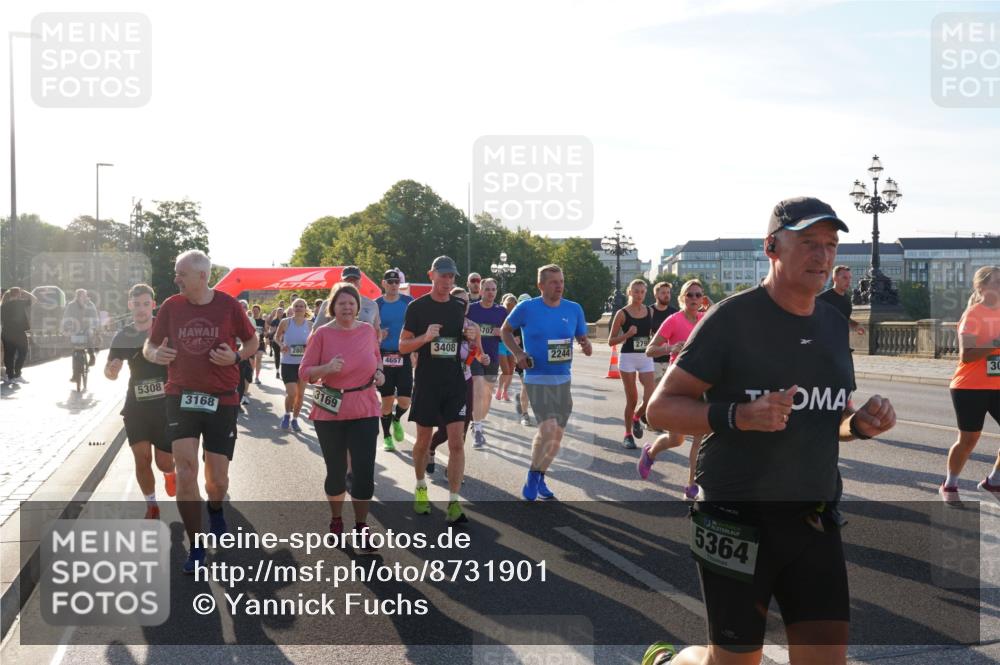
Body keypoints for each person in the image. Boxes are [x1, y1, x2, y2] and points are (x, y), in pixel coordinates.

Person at [645, 196, 896, 665]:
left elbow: (832, 417)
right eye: (808, 242)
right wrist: (738, 415)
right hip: (735, 518)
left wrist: (858, 425)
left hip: (814, 519)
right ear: (771, 247)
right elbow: (659, 410)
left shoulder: (833, 324)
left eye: (830, 244)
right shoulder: (731, 319)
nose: (822, 255)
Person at [144, 249, 259, 574]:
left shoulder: (228, 306)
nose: (176, 279)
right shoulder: (171, 306)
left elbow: (252, 343)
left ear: (202, 276)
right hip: (180, 396)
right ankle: (196, 545)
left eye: (181, 274)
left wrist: (236, 357)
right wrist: (154, 354)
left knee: (217, 480)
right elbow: (149, 345)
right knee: (185, 470)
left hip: (222, 399)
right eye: (177, 273)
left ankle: (216, 508)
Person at [300, 282, 384, 551]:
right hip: (330, 409)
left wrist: (380, 372)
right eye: (341, 303)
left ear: (358, 306)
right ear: (332, 307)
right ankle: (336, 520)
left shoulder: (367, 330)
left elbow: (376, 357)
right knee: (336, 472)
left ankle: (361, 526)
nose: (347, 307)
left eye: (351, 303)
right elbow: (305, 371)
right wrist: (326, 368)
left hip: (365, 407)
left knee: (364, 472)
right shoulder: (322, 334)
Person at [501, 265, 592, 501]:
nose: (559, 286)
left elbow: (582, 337)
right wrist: (518, 353)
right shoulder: (527, 308)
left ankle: (540, 474)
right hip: (536, 376)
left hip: (563, 378)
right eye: (553, 282)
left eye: (561, 281)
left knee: (556, 436)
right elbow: (505, 331)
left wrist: (586, 345)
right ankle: (533, 475)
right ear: (540, 285)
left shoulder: (574, 308)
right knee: (547, 429)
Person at [400, 256, 476, 524]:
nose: (448, 281)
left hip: (454, 383)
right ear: (431, 275)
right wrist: (425, 337)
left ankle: (454, 503)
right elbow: (402, 346)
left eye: (451, 276)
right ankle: (421, 487)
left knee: (457, 443)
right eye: (443, 275)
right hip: (427, 383)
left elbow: (463, 340)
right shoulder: (417, 307)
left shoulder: (458, 306)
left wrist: (470, 337)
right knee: (423, 441)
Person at [105, 283, 177, 519]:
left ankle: (170, 474)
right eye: (136, 304)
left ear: (153, 305)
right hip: (136, 407)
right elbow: (109, 372)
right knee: (142, 458)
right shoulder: (123, 335)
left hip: (164, 406)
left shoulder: (166, 331)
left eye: (146, 304)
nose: (141, 309)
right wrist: (112, 370)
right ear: (130, 305)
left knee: (164, 462)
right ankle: (151, 505)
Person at [639, 279, 710, 499]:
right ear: (682, 298)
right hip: (677, 383)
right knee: (676, 439)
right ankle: (650, 453)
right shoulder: (673, 320)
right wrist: (670, 348)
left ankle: (691, 486)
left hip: (701, 382)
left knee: (699, 437)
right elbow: (650, 350)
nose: (694, 299)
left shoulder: (705, 319)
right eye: (690, 295)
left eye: (698, 295)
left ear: (702, 299)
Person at [939, 265, 1000, 504]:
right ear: (982, 287)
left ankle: (993, 481)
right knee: (968, 440)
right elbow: (967, 355)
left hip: (997, 385)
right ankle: (950, 484)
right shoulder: (973, 314)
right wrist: (996, 343)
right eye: (997, 282)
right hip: (970, 386)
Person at [427, 288, 485, 472]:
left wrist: (483, 358)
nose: (463, 305)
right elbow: (430, 351)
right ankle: (430, 448)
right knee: (445, 429)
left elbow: (478, 353)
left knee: (464, 424)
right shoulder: (439, 324)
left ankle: (454, 466)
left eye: (466, 302)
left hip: (464, 380)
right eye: (459, 301)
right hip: (442, 381)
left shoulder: (473, 326)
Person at [608, 279, 656, 449]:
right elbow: (611, 340)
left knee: (650, 397)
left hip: (645, 357)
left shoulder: (650, 311)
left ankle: (636, 417)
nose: (639, 295)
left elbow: (653, 334)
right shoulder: (622, 313)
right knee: (632, 399)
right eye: (636, 291)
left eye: (642, 291)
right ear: (629, 292)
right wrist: (627, 335)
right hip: (628, 357)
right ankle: (628, 435)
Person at [376, 269, 414, 451]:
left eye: (396, 282)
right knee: (387, 401)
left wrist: (416, 351)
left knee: (405, 401)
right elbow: (366, 329)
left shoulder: (409, 302)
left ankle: (396, 419)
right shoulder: (377, 304)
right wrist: (378, 334)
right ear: (383, 283)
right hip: (383, 356)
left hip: (404, 355)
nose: (393, 285)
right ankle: (387, 437)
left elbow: (418, 326)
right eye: (390, 282)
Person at [467, 277, 507, 447]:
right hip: (475, 355)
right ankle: (477, 429)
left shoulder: (501, 311)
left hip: (492, 357)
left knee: (487, 396)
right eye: (487, 289)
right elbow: (462, 327)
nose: (490, 292)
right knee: (478, 389)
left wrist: (502, 334)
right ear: (481, 291)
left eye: (493, 289)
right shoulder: (471, 309)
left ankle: (477, 420)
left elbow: (509, 335)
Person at [275, 298, 313, 432]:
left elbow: (314, 342)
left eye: (301, 306)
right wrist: (281, 345)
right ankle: (287, 414)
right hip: (288, 363)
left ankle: (295, 419)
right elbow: (276, 337)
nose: (299, 308)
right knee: (292, 393)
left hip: (303, 364)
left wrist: (308, 347)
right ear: (292, 308)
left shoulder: (310, 325)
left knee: (300, 395)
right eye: (296, 306)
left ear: (305, 309)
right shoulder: (285, 322)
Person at [313, 266, 381, 332]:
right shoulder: (328, 303)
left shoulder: (372, 305)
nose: (351, 283)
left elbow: (377, 330)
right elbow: (316, 330)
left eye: (355, 280)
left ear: (360, 282)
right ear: (341, 282)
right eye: (348, 280)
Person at [817, 266, 866, 337]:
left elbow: (845, 319)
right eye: (844, 278)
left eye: (850, 278)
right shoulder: (822, 299)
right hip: (825, 341)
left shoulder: (847, 299)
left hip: (843, 341)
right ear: (835, 278)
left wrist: (856, 325)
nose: (848, 281)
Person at [1, 286, 37, 383]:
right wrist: (25, 291)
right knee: (23, 352)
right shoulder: (19, 303)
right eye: (20, 293)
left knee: (9, 355)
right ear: (18, 294)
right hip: (19, 332)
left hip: (6, 333)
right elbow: (34, 299)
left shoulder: (3, 306)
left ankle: (10, 376)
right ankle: (17, 374)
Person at [61, 288, 100, 371]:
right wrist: (66, 328)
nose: (82, 297)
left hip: (87, 327)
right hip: (75, 328)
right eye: (80, 295)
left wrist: (94, 327)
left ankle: (91, 355)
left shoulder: (90, 304)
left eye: (84, 295)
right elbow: (66, 317)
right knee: (74, 348)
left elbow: (95, 316)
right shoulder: (71, 305)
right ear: (77, 296)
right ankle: (75, 372)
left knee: (89, 335)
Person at [649, 281, 679, 386]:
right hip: (653, 360)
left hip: (670, 359)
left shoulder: (674, 313)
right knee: (655, 391)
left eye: (668, 292)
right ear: (656, 295)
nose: (666, 295)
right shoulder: (648, 312)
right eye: (663, 293)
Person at [496, 293, 518, 402]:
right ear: (505, 304)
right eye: (509, 305)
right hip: (501, 345)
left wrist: (518, 338)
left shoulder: (517, 316)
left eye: (513, 305)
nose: (511, 307)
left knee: (511, 371)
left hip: (511, 346)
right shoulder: (500, 315)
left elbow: (519, 331)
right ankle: (499, 390)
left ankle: (505, 392)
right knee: (506, 371)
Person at [267, 306, 285, 375]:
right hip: (276, 340)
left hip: (284, 340)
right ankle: (277, 371)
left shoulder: (285, 320)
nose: (280, 313)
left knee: (284, 355)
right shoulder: (274, 321)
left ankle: (283, 369)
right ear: (277, 313)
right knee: (277, 355)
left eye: (281, 312)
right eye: (279, 312)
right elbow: (270, 332)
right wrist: (274, 330)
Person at [251, 304, 266, 384]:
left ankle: (257, 377)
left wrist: (265, 333)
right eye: (254, 310)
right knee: (252, 361)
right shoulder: (250, 320)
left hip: (260, 342)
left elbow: (266, 331)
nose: (255, 312)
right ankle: (251, 375)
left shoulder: (263, 322)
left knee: (259, 359)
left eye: (256, 310)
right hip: (251, 343)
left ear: (259, 311)